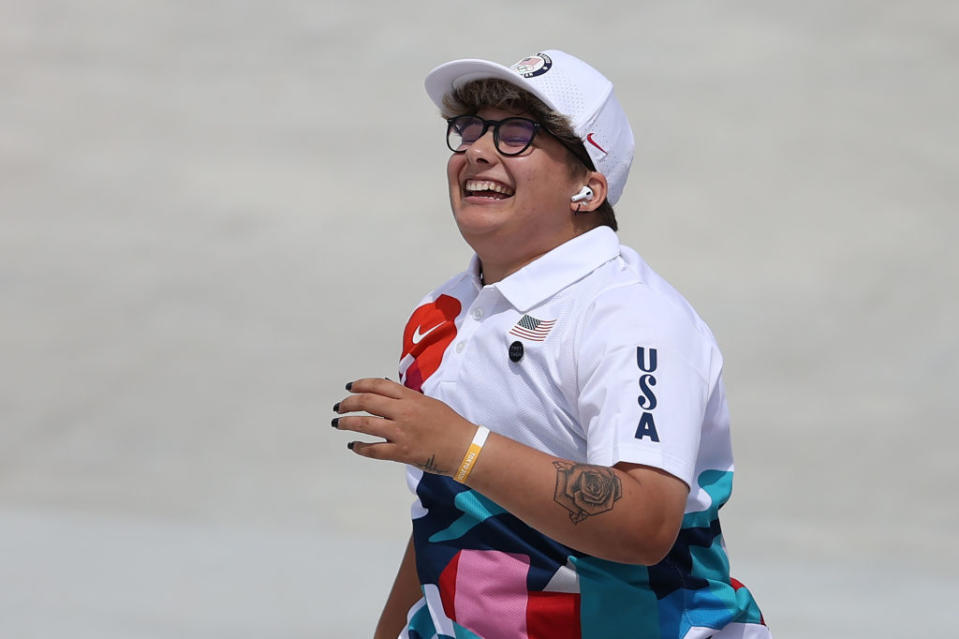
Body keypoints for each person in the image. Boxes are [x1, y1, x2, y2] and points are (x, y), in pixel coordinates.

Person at [332, 49, 770, 639]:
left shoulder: (633, 317)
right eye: (467, 130)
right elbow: (446, 518)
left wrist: (460, 446)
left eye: (517, 133)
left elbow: (645, 523)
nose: (477, 151)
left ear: (588, 189)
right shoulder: (439, 313)